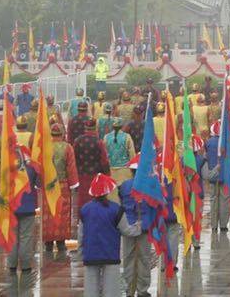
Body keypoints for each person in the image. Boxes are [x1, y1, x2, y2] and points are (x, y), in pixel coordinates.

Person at [79, 173, 140, 297]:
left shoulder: (84, 210)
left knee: (90, 291)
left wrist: (82, 253)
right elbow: (127, 231)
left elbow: (81, 236)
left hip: (90, 255)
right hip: (110, 254)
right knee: (111, 291)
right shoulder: (116, 209)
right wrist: (140, 226)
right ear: (107, 192)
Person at [118, 155, 157, 297]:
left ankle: (129, 289)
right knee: (144, 259)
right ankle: (142, 289)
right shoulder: (150, 185)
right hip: (145, 227)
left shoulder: (124, 185)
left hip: (128, 226)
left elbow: (121, 202)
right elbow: (154, 206)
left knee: (128, 258)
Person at [44, 120, 80, 255]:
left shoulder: (45, 147)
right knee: (61, 212)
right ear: (62, 133)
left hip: (48, 185)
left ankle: (48, 243)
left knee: (49, 212)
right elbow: (71, 168)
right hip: (62, 185)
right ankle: (60, 242)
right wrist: (74, 184)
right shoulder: (67, 147)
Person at [9, 145, 41, 277]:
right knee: (26, 238)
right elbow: (39, 184)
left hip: (12, 208)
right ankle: (26, 265)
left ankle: (11, 264)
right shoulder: (31, 169)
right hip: (28, 208)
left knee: (13, 238)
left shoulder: (8, 170)